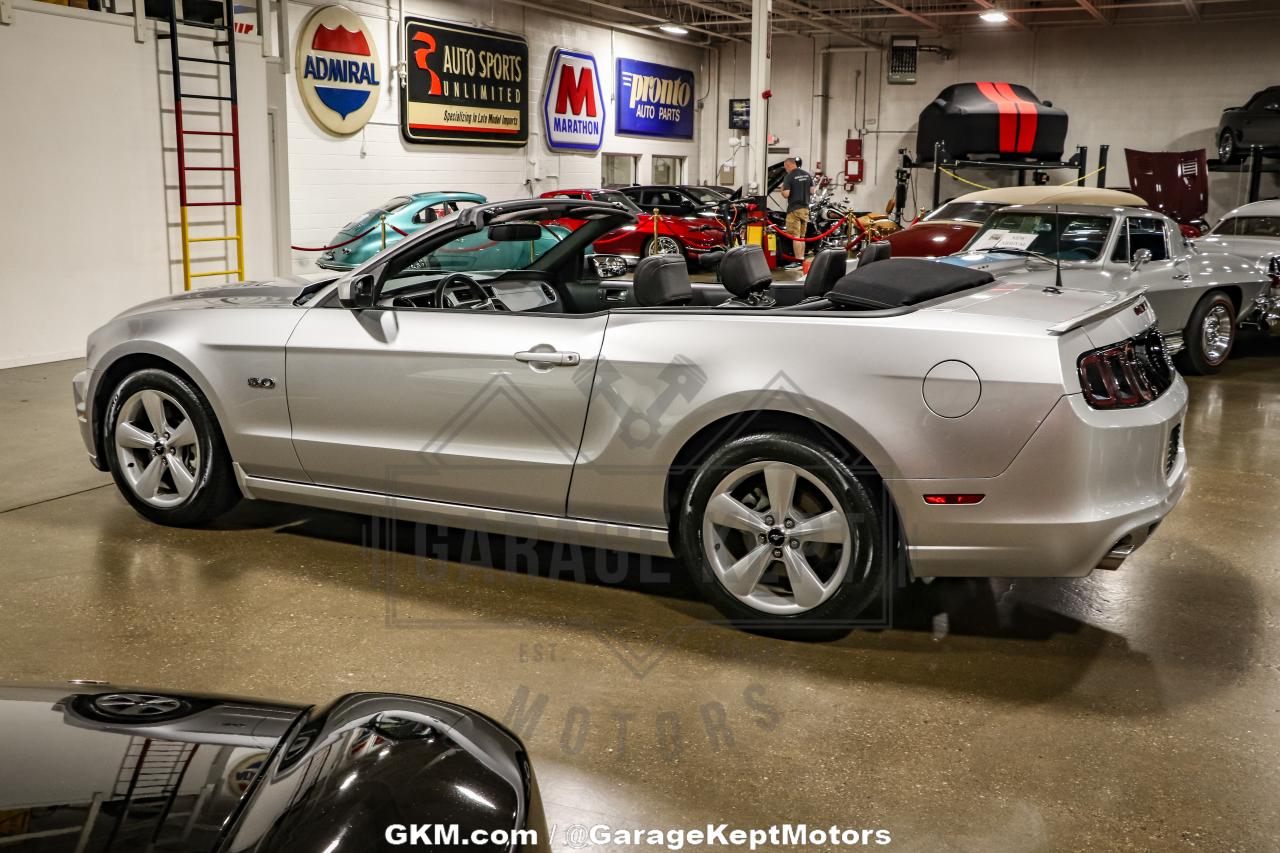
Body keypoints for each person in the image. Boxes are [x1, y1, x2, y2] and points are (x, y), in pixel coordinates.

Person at [779, 157, 812, 269]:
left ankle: (797, 261)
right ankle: (801, 259)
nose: (785, 169)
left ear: (788, 165)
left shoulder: (790, 176)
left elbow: (787, 194)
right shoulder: (807, 174)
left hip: (794, 209)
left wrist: (781, 190)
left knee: (795, 236)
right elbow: (812, 191)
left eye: (785, 167)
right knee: (802, 236)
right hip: (805, 209)